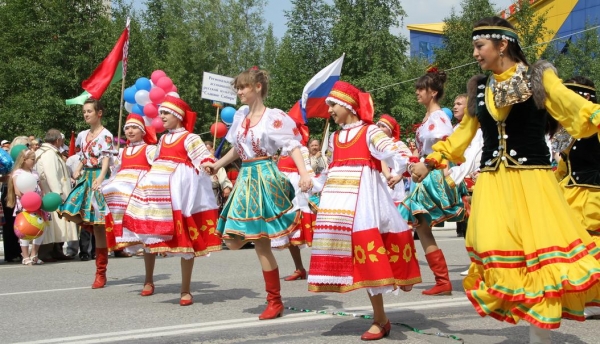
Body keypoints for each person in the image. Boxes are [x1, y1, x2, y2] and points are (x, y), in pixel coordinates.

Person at [409, 16, 600, 343]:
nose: (475, 53)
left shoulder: (540, 76)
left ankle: (540, 338)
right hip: (494, 187)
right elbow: (463, 135)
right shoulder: (479, 88)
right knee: (494, 252)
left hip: (533, 184)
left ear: (502, 44)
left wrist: (594, 116)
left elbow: (572, 106)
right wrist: (431, 161)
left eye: (479, 46)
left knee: (539, 263)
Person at [307, 81, 421, 340]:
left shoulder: (369, 132)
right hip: (339, 207)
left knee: (368, 258)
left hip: (364, 205)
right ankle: (380, 317)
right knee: (354, 262)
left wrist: (397, 171)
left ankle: (380, 319)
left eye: (333, 105)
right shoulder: (335, 138)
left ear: (348, 106)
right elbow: (330, 170)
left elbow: (397, 150)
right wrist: (312, 182)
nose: (331, 111)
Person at [203, 67, 312, 320]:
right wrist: (217, 164)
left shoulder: (273, 117)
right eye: (238, 87)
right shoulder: (241, 117)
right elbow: (237, 150)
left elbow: (292, 146)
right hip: (246, 178)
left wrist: (304, 173)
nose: (239, 91)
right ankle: (275, 299)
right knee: (232, 240)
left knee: (261, 244)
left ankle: (274, 300)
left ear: (258, 87)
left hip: (264, 176)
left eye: (244, 87)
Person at [122, 95, 221, 305]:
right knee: (150, 233)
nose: (162, 117)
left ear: (178, 115)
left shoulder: (190, 138)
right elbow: (155, 161)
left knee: (186, 242)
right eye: (161, 113)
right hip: (160, 192)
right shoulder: (162, 139)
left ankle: (185, 289)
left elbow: (204, 156)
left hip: (180, 195)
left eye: (166, 113)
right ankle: (148, 280)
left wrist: (206, 163)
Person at [399, 68, 465, 296]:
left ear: (433, 92)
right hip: (424, 174)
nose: (417, 92)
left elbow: (445, 148)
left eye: (421, 89)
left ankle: (412, 275)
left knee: (410, 222)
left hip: (434, 174)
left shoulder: (438, 117)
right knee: (420, 226)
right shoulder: (429, 117)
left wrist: (433, 170)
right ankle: (441, 281)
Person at [553, 76, 600, 319]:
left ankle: (592, 298)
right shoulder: (569, 128)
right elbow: (563, 166)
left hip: (591, 193)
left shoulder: (596, 119)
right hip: (570, 190)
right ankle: (577, 295)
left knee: (589, 243)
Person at [58, 98, 113, 289]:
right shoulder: (83, 135)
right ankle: (90, 229)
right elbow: (83, 155)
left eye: (89, 111)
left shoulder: (106, 134)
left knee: (99, 224)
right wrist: (78, 168)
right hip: (86, 177)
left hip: (98, 177)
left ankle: (100, 273)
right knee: (70, 211)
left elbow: (105, 158)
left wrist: (102, 177)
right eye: (84, 112)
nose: (86, 114)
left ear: (99, 113)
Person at [102, 114, 157, 256]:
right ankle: (120, 235)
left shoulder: (149, 149)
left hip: (140, 185)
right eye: (127, 128)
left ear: (143, 132)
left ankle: (138, 237)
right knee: (107, 191)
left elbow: (157, 168)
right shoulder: (123, 151)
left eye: (134, 128)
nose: (130, 131)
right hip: (122, 183)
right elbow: (116, 171)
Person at [275, 123, 315, 281]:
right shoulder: (283, 151)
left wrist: (309, 188)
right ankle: (299, 268)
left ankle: (331, 266)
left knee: (315, 235)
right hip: (285, 196)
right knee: (291, 235)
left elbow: (307, 171)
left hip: (298, 197)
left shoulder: (301, 149)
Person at [35, 129, 78, 261]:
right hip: (51, 195)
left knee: (57, 224)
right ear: (58, 140)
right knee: (53, 223)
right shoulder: (49, 154)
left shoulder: (49, 152)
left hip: (53, 193)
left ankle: (56, 249)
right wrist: (57, 193)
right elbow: (51, 174)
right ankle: (47, 251)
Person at [6, 149, 46, 265]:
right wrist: (29, 199)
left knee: (39, 228)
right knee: (25, 229)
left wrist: (41, 197)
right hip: (25, 205)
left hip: (38, 205)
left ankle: (34, 254)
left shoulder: (35, 173)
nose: (34, 162)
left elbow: (40, 187)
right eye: (32, 159)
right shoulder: (17, 173)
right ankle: (25, 255)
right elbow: (18, 191)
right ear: (24, 160)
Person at [2, 136, 31, 263]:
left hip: (18, 191)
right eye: (26, 145)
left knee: (18, 222)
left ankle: (19, 251)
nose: (28, 148)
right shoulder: (7, 159)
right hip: (10, 192)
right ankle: (11, 253)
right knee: (10, 224)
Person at [376, 114, 411, 206]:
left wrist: (399, 176)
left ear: (390, 130)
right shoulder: (373, 145)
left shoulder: (398, 144)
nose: (380, 128)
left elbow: (409, 161)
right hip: (379, 179)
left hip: (395, 180)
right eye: (378, 126)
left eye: (383, 126)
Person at [203, 141, 233, 211]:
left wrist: (226, 187)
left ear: (213, 150)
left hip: (214, 196)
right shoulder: (199, 164)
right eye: (205, 150)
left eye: (209, 150)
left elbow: (223, 179)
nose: (207, 152)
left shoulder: (217, 165)